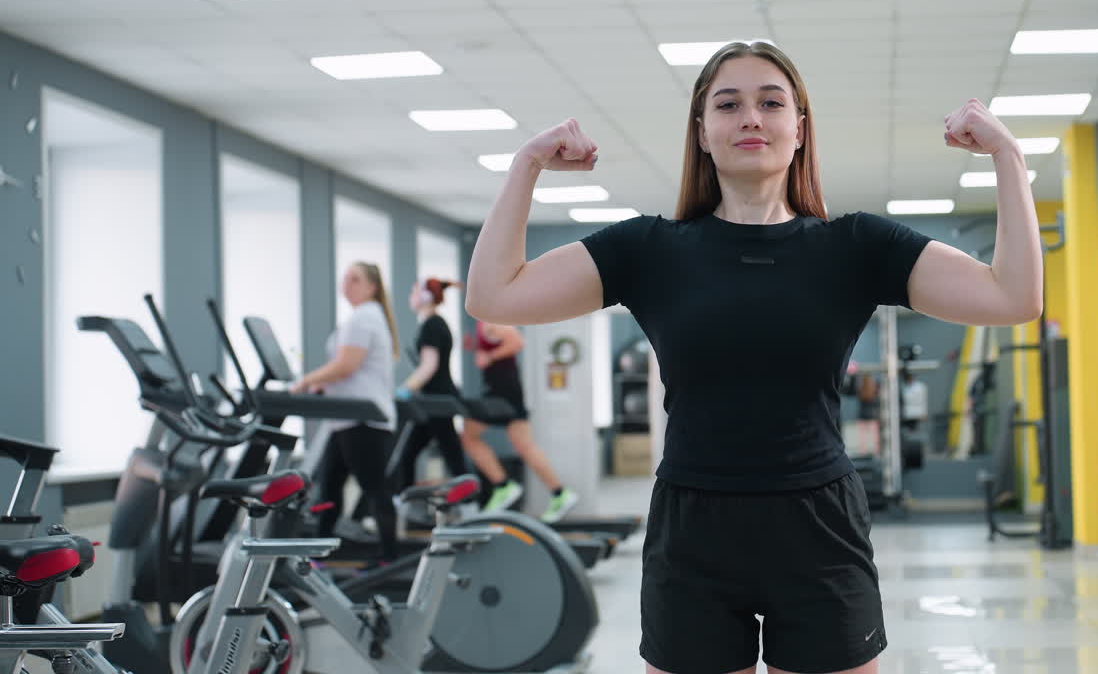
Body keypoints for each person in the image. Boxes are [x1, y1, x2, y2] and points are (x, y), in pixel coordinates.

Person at [465, 41, 1043, 674]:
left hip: (818, 523)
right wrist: (526, 165)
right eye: (728, 104)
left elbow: (1013, 297)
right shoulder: (649, 250)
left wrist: (1008, 157)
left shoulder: (855, 247)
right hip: (692, 528)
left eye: (771, 102)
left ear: (799, 128)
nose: (751, 118)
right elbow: (495, 294)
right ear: (703, 132)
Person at [291, 262, 399, 563]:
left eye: (355, 279)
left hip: (362, 420)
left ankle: (389, 558)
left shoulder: (364, 318)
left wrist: (306, 381)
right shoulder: (366, 317)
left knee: (374, 489)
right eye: (345, 278)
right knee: (330, 488)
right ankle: (318, 557)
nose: (347, 284)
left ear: (371, 286)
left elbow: (346, 365)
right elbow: (351, 370)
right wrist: (322, 387)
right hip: (349, 419)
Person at [460, 321, 580, 523]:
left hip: (501, 394)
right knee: (524, 446)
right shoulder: (484, 320)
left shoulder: (490, 317)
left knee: (469, 435)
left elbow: (517, 341)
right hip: (507, 392)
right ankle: (560, 493)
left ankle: (503, 486)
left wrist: (489, 356)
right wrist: (475, 347)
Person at [393, 277, 469, 483]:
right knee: (409, 455)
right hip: (433, 400)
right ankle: (405, 503)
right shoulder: (432, 323)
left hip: (438, 401)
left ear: (426, 297)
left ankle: (472, 502)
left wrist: (404, 389)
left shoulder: (433, 325)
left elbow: (429, 366)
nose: (411, 296)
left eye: (414, 291)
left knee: (451, 456)